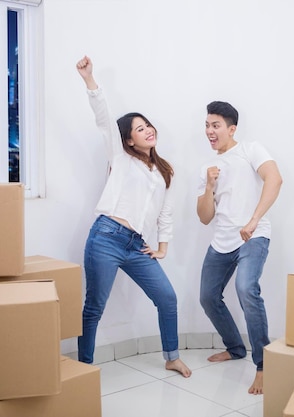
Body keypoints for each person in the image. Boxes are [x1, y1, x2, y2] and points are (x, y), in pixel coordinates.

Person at [75, 55, 191, 378]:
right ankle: (85, 366)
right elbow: (103, 117)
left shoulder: (165, 171)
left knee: (167, 297)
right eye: (139, 129)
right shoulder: (120, 156)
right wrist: (90, 80)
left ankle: (172, 356)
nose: (148, 130)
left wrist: (163, 246)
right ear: (129, 139)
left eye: (148, 125)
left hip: (136, 245)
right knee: (95, 306)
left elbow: (165, 213)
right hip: (106, 238)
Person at [197, 100, 283, 394]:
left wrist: (254, 220)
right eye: (207, 125)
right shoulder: (208, 168)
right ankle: (235, 348)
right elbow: (205, 217)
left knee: (247, 289)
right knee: (208, 297)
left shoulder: (250, 149)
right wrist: (208, 186)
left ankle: (263, 365)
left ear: (231, 129)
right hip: (222, 240)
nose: (210, 130)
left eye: (216, 125)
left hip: (253, 235)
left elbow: (275, 178)